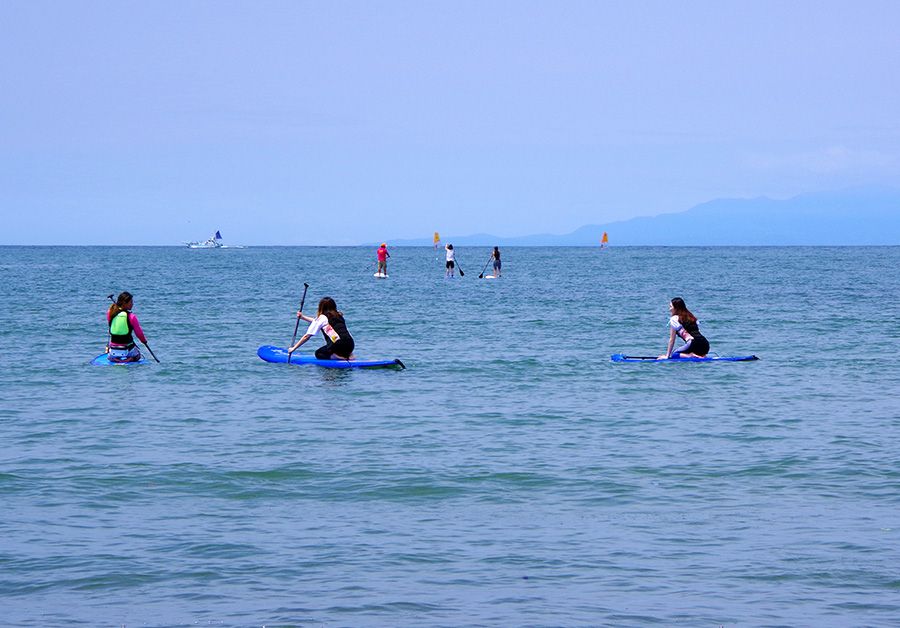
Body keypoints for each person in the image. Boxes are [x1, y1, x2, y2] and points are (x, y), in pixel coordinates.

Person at [289, 297, 355, 360]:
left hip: (338, 346)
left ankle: (338, 357)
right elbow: (318, 322)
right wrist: (303, 317)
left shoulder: (322, 318)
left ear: (321, 307)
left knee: (318, 353)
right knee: (342, 341)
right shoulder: (339, 315)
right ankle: (348, 355)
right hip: (351, 344)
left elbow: (307, 336)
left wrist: (293, 348)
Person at [106, 291, 148, 363]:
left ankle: (116, 359)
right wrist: (144, 341)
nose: (132, 304)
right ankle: (130, 359)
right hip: (127, 349)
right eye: (131, 302)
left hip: (113, 349)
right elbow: (139, 333)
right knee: (138, 355)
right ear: (124, 303)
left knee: (110, 356)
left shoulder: (111, 313)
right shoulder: (131, 316)